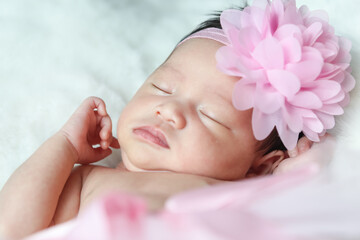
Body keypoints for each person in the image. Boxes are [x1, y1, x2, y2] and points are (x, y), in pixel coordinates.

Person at [0, 0, 354, 239]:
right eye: (162, 87)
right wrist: (63, 146)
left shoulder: (242, 188)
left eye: (210, 115)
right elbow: (12, 228)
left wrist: (297, 173)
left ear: (260, 166)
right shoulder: (87, 180)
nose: (169, 111)